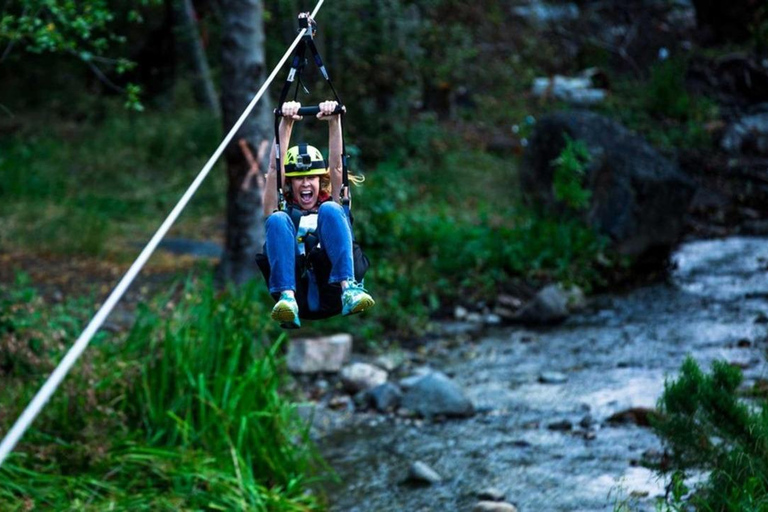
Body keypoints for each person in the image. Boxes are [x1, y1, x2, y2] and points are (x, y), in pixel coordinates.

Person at [261, 100, 374, 329]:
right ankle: (287, 298)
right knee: (276, 219)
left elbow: (337, 169)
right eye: (298, 179)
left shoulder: (334, 204)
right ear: (289, 184)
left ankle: (349, 289)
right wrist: (287, 122)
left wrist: (334, 121)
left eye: (311, 177)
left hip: (332, 290)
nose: (305, 183)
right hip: (298, 294)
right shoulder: (282, 210)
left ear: (319, 181)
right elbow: (274, 171)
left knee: (331, 209)